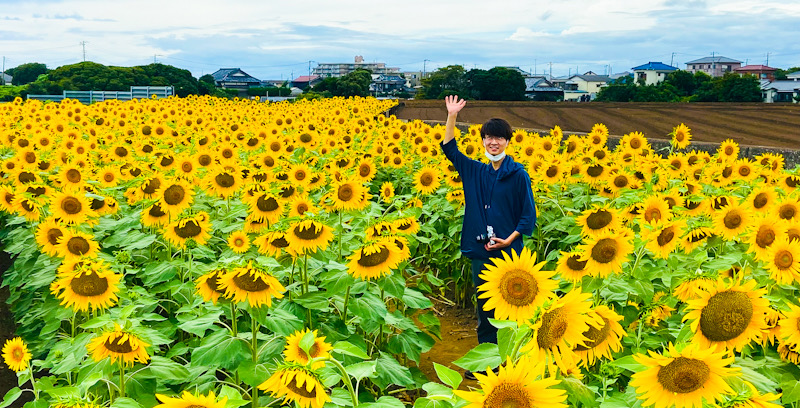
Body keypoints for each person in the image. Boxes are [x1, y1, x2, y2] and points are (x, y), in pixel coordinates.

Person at [440, 95, 537, 380]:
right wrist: (452, 115)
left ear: (508, 142)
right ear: (482, 141)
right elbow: (450, 148)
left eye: (499, 139)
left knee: (508, 311)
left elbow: (527, 215)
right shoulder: (475, 171)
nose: (493, 143)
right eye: (488, 138)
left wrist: (509, 239)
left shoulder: (517, 175)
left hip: (509, 254)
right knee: (484, 311)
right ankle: (487, 363)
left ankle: (509, 363)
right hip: (481, 254)